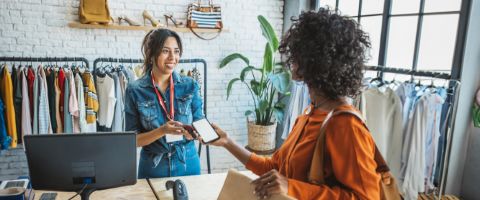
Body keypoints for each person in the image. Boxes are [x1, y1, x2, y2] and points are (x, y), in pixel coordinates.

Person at [209, 8, 381, 199]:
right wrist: (228, 142)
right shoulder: (309, 114)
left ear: (314, 61)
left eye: (296, 54)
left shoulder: (346, 124)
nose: (291, 61)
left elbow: (366, 197)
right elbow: (273, 167)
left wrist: (292, 187)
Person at [124, 28, 204, 178]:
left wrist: (194, 134)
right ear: (152, 54)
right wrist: (162, 131)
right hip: (153, 166)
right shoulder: (134, 90)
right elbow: (132, 140)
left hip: (188, 163)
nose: (172, 57)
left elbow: (200, 122)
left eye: (176, 51)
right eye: (165, 51)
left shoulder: (190, 85)